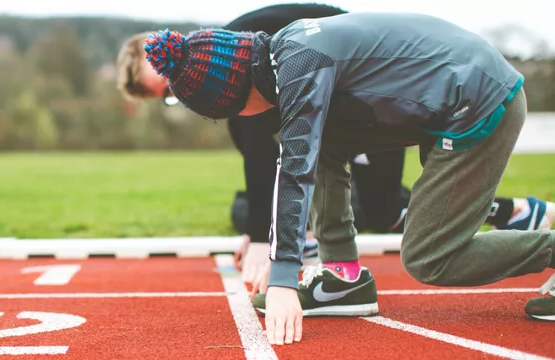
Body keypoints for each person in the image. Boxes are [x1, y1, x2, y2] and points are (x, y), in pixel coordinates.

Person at [142, 11, 555, 346]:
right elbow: (306, 149)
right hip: (450, 94)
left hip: (480, 103)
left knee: (431, 256)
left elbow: (295, 169)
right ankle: (343, 278)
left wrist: (284, 278)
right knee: (319, 143)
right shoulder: (288, 49)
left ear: (234, 97)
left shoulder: (301, 66)